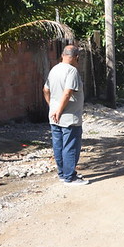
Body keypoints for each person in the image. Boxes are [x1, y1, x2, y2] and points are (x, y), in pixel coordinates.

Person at [43, 45, 87, 185]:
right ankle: (70, 177)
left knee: (59, 146)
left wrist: (53, 107)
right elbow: (68, 92)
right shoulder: (72, 71)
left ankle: (62, 174)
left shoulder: (54, 69)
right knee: (70, 146)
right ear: (76, 57)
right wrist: (60, 110)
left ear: (62, 55)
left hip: (54, 116)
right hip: (69, 117)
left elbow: (45, 89)